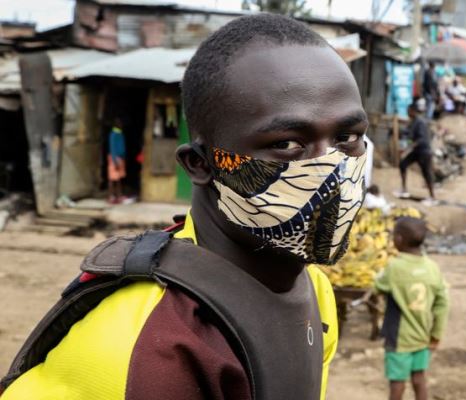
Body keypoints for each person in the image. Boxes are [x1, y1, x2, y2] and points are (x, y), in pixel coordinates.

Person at [0, 14, 365, 400]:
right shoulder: (152, 349)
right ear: (201, 164)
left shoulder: (313, 289)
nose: (333, 167)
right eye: (288, 144)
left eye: (347, 137)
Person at [374, 217, 449, 400]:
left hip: (399, 338)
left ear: (398, 239)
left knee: (397, 383)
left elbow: (379, 286)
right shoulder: (433, 268)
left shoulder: (395, 267)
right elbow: (443, 303)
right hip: (423, 336)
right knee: (419, 378)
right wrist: (436, 334)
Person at [397, 103, 436, 204]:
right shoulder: (413, 122)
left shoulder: (420, 122)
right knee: (403, 164)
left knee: (426, 173)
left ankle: (432, 196)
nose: (408, 113)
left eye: (409, 111)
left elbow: (421, 139)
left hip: (424, 151)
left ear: (413, 111)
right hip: (416, 151)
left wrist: (409, 147)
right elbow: (409, 134)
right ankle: (404, 189)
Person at [107, 118, 126, 204]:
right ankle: (111, 196)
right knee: (112, 179)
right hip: (115, 158)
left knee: (118, 179)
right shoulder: (114, 134)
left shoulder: (119, 133)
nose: (121, 125)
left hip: (120, 158)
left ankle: (119, 195)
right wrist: (115, 161)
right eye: (120, 123)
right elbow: (113, 149)